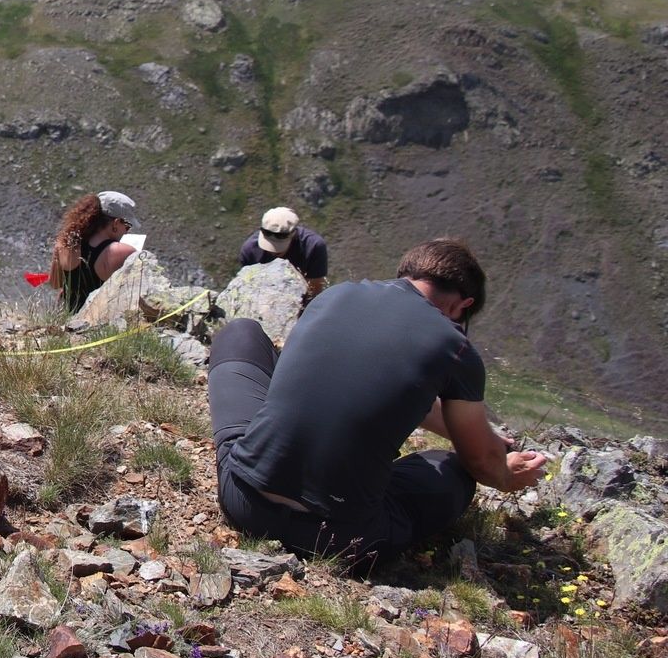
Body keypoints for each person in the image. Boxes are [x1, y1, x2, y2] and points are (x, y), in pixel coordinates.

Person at [207, 238, 546, 572]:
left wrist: (479, 435)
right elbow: (481, 464)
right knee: (455, 472)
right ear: (462, 305)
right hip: (339, 537)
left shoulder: (335, 295)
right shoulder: (456, 347)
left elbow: (386, 391)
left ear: (407, 274)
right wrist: (505, 474)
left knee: (241, 332)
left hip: (243, 500)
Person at [48, 191, 142, 312]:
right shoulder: (122, 251)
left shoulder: (65, 243)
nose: (127, 232)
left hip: (67, 317)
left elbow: (55, 283)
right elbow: (137, 291)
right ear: (116, 223)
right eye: (127, 227)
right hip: (97, 321)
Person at [240, 206, 328, 299]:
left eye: (277, 250)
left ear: (293, 234)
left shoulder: (313, 246)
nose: (272, 252)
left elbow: (315, 291)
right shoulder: (250, 251)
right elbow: (249, 288)